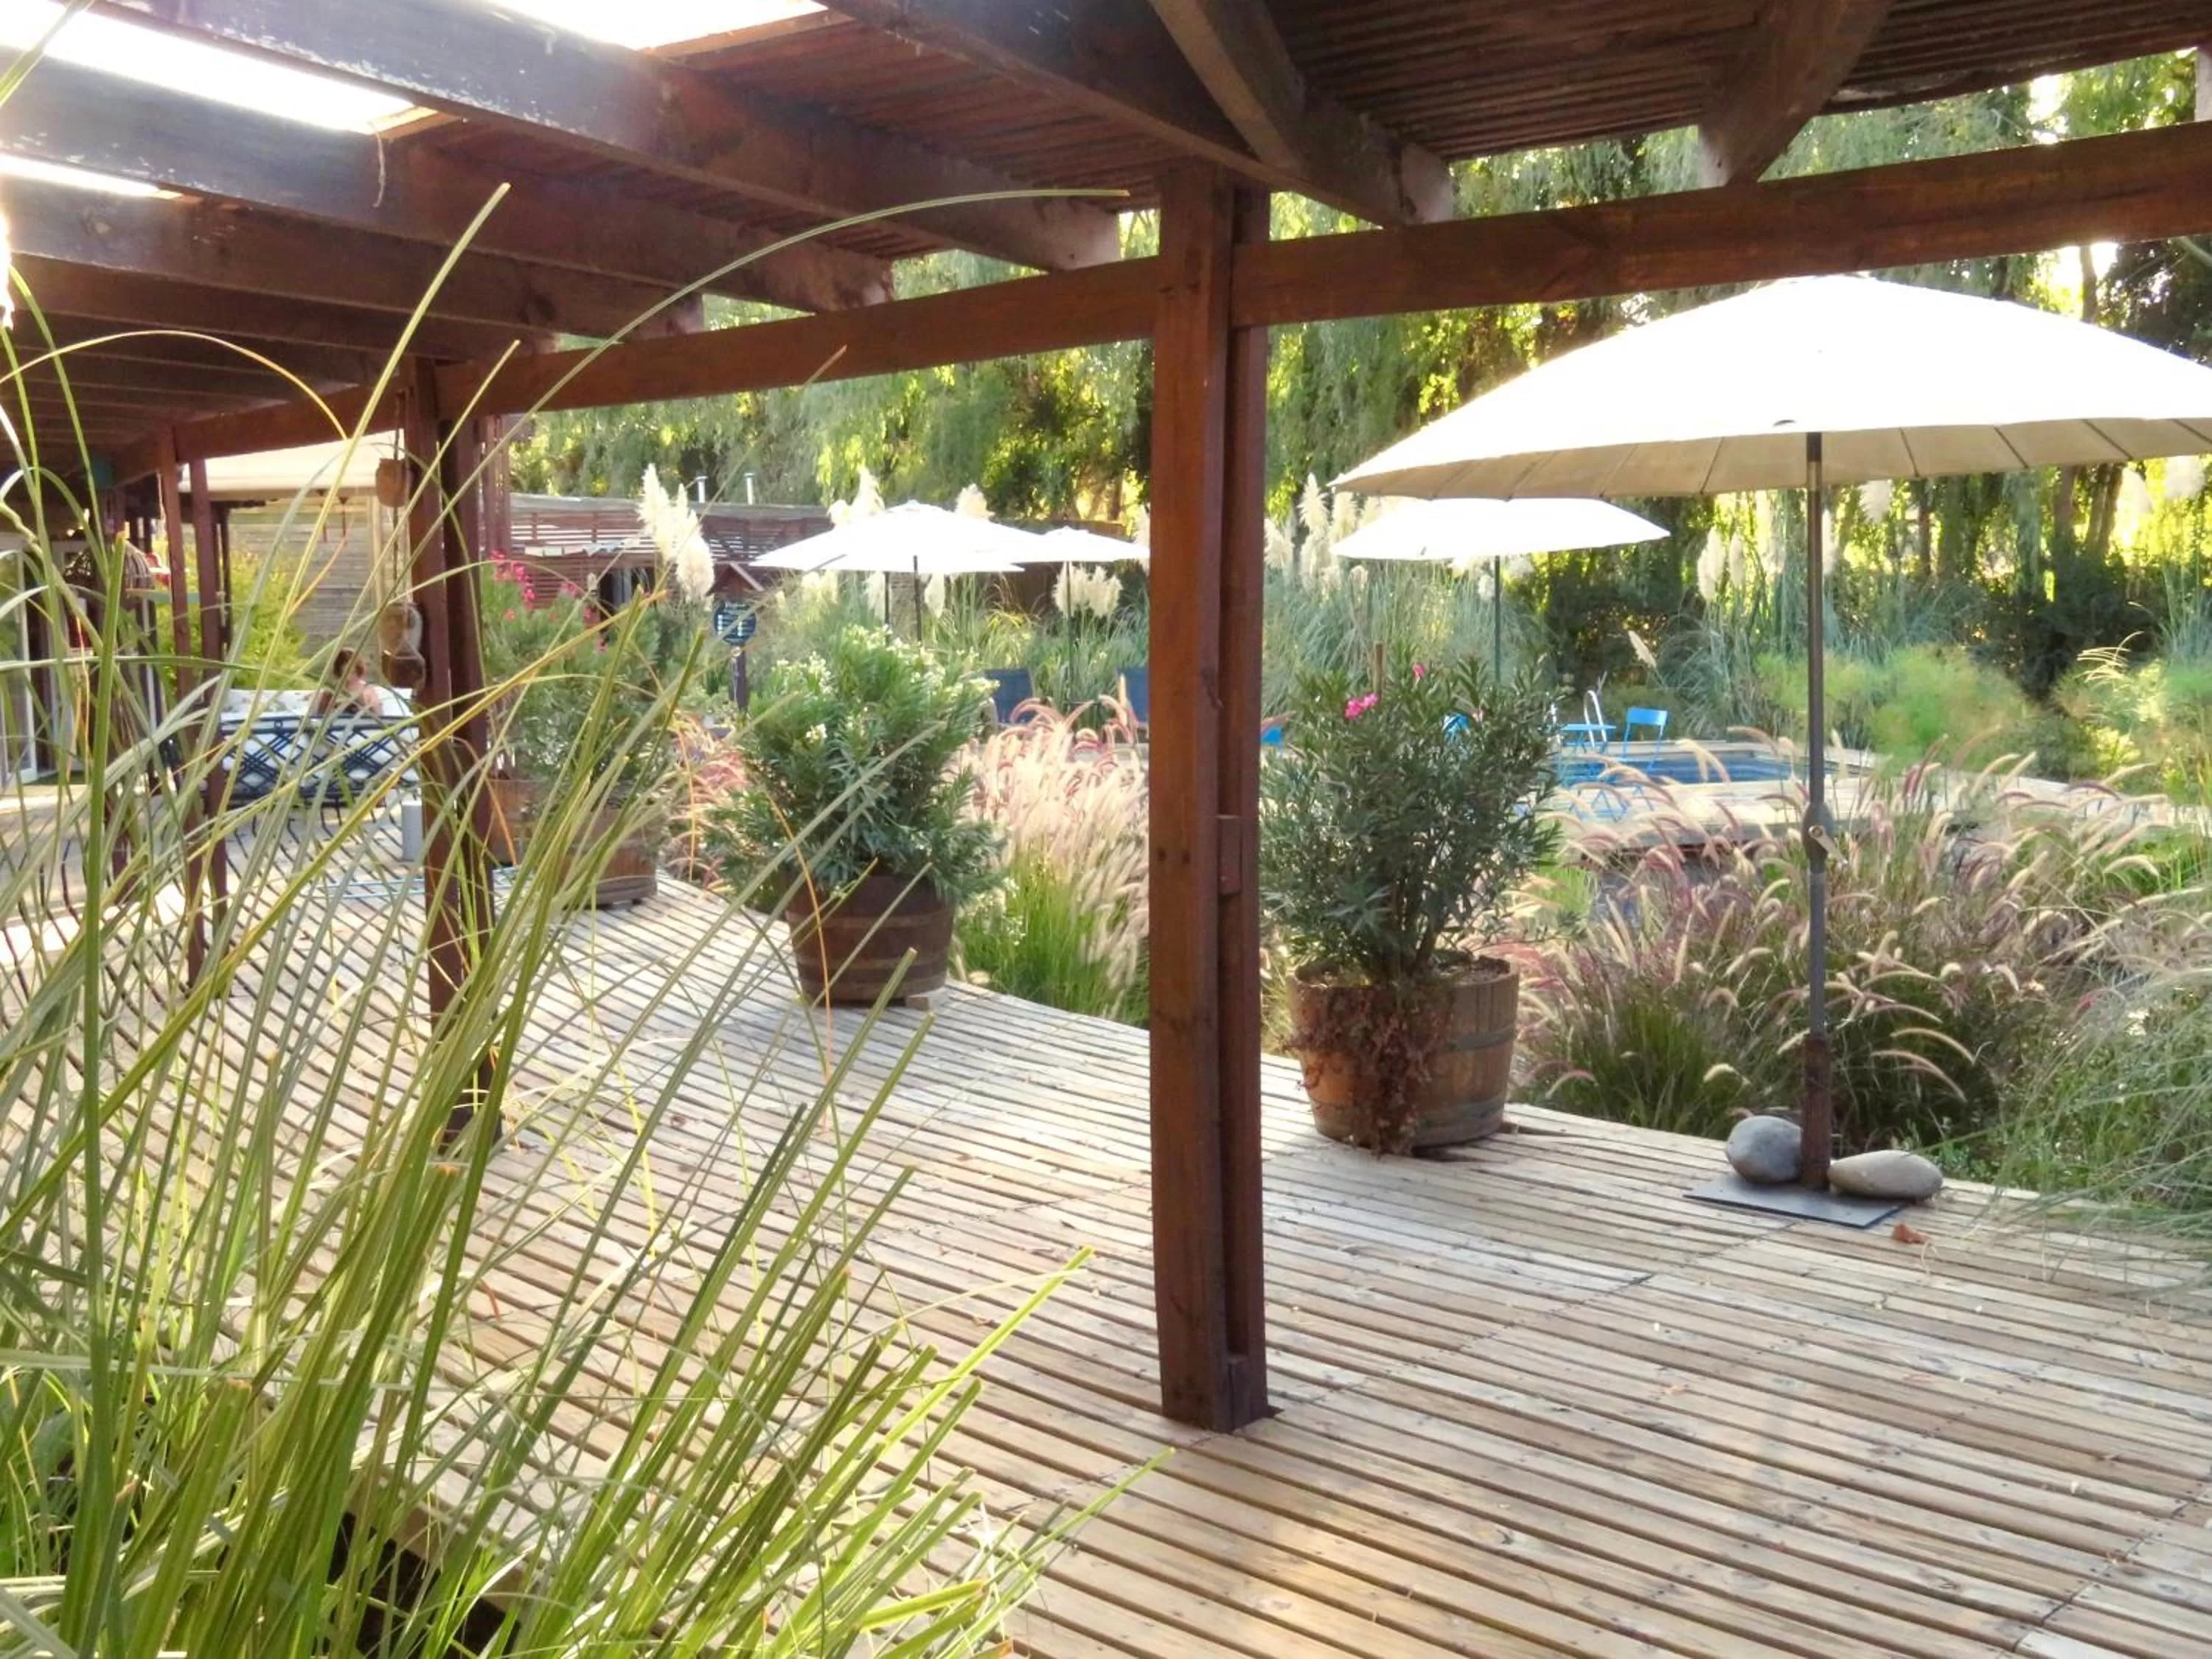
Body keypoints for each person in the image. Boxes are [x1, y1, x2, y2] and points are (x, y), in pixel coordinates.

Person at [313, 648, 380, 719]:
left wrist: (362, 703)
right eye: (347, 672)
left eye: (354, 672)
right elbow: (318, 718)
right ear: (339, 670)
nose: (351, 676)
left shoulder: (368, 690)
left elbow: (379, 716)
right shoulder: (329, 692)